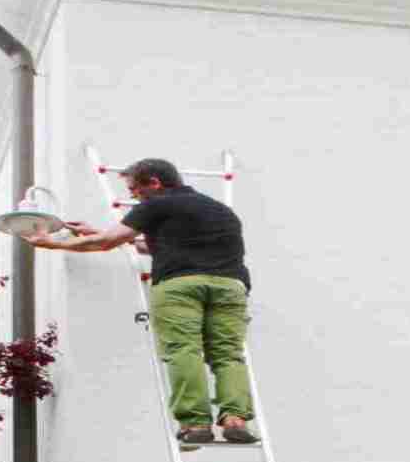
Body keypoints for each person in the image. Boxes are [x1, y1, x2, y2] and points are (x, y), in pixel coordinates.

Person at [22, 158, 257, 445]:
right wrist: (97, 232)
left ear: (154, 183)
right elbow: (154, 244)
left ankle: (196, 424)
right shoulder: (220, 211)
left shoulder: (155, 205)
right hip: (230, 287)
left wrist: (52, 243)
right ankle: (235, 419)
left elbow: (106, 243)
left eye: (135, 189)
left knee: (184, 350)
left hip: (180, 286)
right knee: (227, 354)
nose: (133, 195)